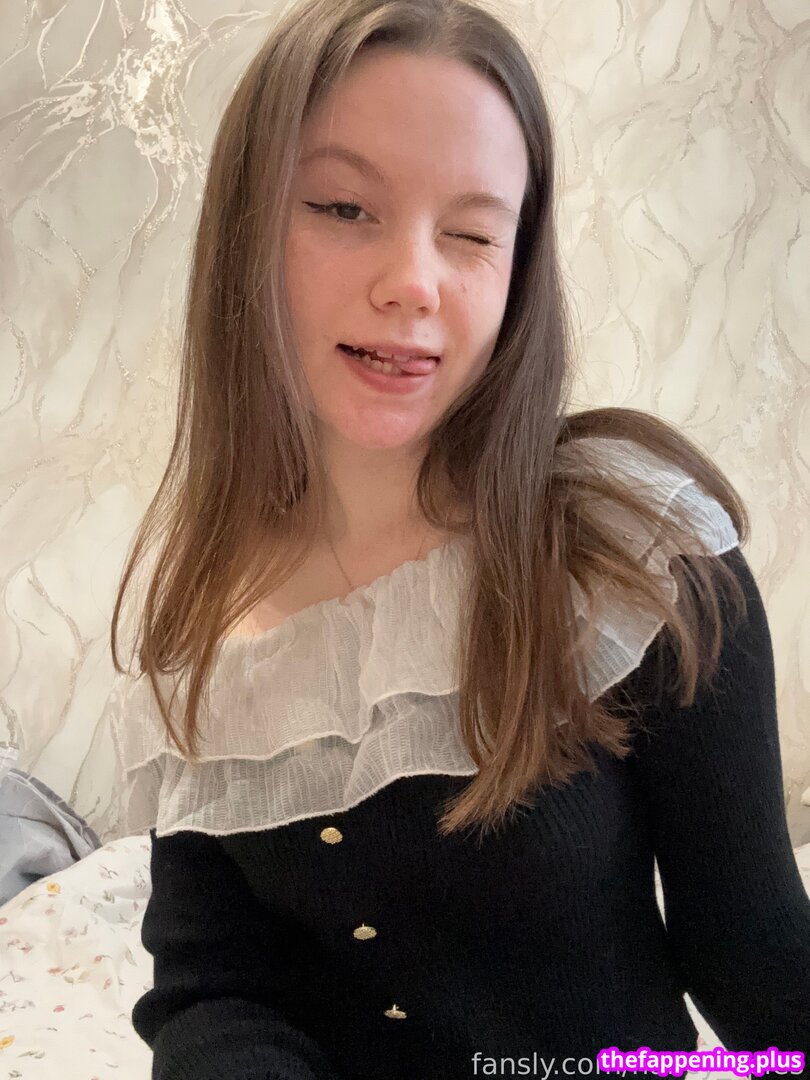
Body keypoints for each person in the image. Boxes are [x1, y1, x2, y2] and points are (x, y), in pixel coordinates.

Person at [106, 0, 810, 1076]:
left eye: (473, 233)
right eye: (343, 207)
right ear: (247, 228)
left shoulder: (632, 550)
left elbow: (755, 953)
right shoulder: (201, 611)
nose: (413, 282)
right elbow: (217, 982)